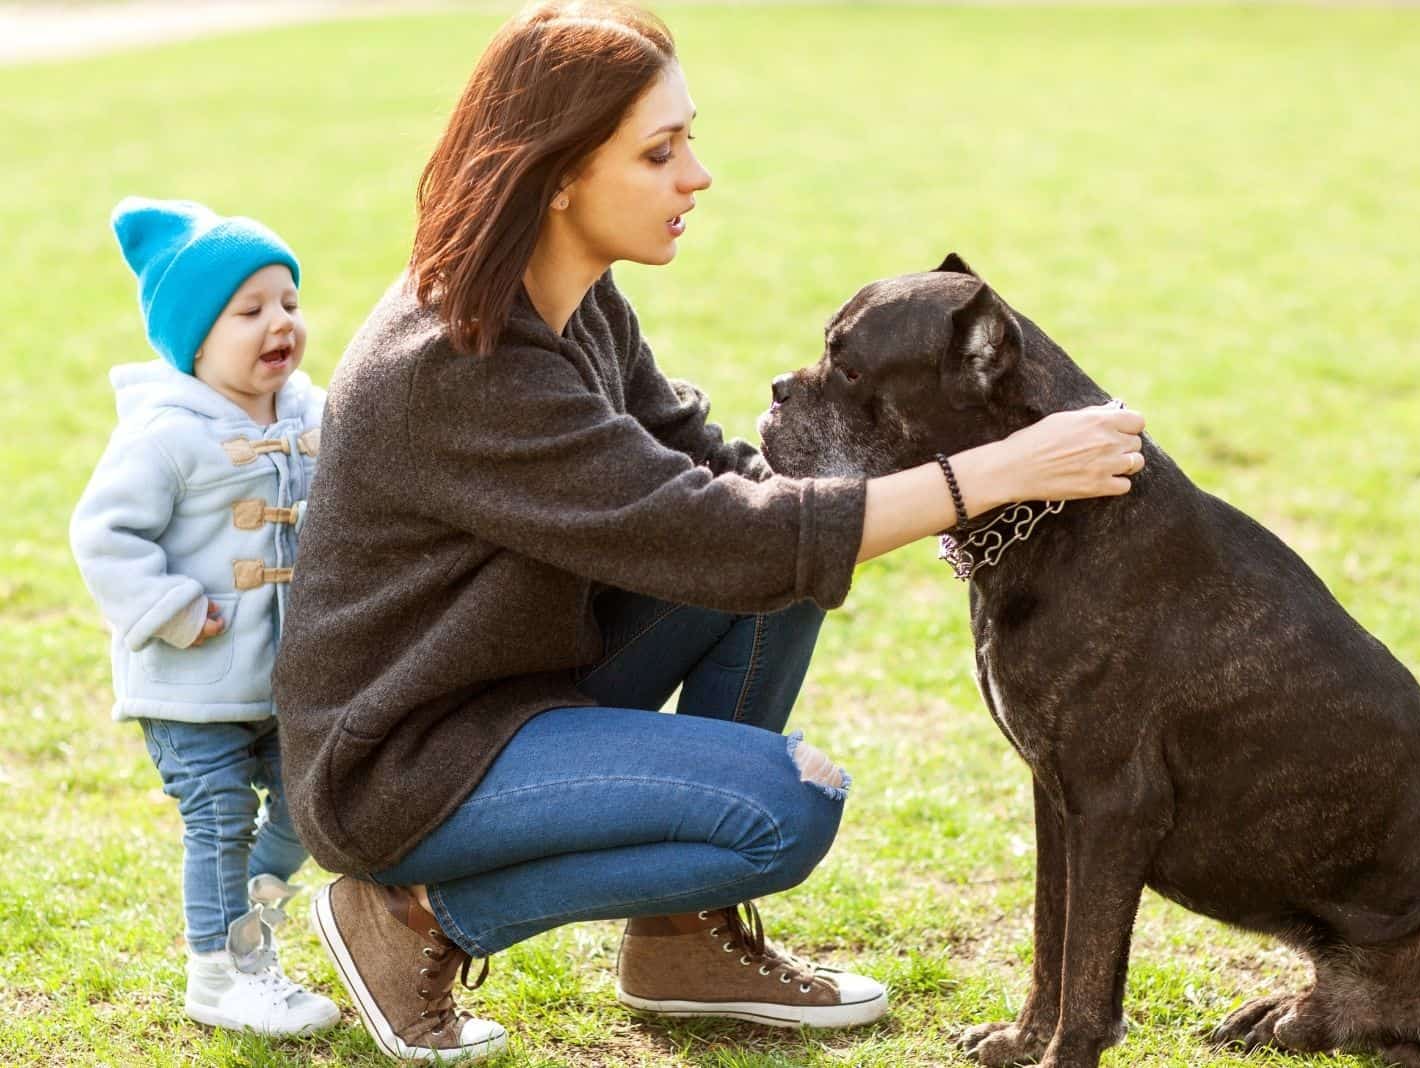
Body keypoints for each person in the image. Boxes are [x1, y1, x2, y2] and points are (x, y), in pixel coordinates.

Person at [273, 2, 1148, 1062]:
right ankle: (412, 920)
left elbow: (735, 487)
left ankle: (680, 942)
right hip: (405, 758)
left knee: (784, 569)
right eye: (660, 151)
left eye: (688, 138)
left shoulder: (574, 301)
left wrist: (963, 467)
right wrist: (993, 474)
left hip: (519, 682)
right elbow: (723, 535)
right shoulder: (462, 367)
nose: (698, 175)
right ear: (556, 174)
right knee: (785, 808)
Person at [68, 198, 339, 1035]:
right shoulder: (165, 433)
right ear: (194, 337)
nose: (278, 323)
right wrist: (172, 608)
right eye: (248, 310)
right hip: (190, 679)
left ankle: (249, 928)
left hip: (285, 674)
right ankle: (222, 971)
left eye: (288, 303)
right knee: (219, 815)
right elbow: (102, 534)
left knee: (311, 802)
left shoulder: (310, 414)